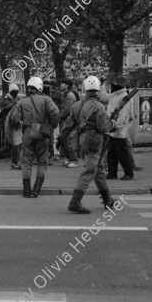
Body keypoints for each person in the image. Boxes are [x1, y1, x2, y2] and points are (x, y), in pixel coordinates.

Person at [60, 76, 119, 214]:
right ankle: (74, 202)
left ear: (85, 89)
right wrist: (113, 122)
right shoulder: (98, 106)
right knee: (89, 171)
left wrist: (62, 139)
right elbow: (104, 128)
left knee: (98, 170)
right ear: (98, 89)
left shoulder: (77, 105)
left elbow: (68, 126)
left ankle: (107, 199)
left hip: (81, 140)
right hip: (94, 142)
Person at [9, 76, 59, 198]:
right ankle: (36, 190)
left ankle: (26, 191)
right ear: (39, 87)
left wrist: (19, 124)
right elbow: (55, 112)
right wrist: (52, 124)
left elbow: (13, 118)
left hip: (28, 133)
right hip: (43, 133)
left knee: (26, 162)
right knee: (42, 162)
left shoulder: (21, 102)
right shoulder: (46, 100)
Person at [105, 76, 134, 180]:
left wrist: (115, 126)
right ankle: (112, 173)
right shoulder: (114, 95)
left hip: (119, 130)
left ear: (118, 85)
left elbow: (123, 115)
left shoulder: (124, 97)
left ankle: (129, 173)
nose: (112, 85)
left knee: (122, 153)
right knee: (111, 153)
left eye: (114, 83)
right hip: (112, 127)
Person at [0, 84, 21, 169]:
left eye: (17, 92)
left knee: (9, 146)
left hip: (12, 124)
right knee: (15, 144)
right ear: (11, 91)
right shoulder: (5, 101)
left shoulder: (14, 100)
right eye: (15, 92)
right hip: (7, 125)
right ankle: (14, 163)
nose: (16, 93)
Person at [58, 78, 79, 168]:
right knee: (64, 139)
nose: (60, 85)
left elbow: (67, 110)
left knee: (68, 140)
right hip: (66, 120)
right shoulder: (66, 94)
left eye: (62, 83)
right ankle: (69, 158)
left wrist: (59, 116)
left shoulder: (69, 96)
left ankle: (74, 160)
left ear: (67, 85)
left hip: (68, 121)